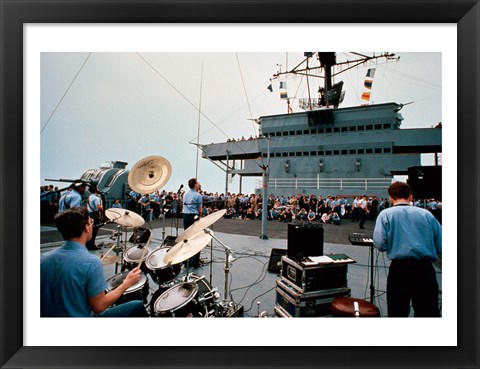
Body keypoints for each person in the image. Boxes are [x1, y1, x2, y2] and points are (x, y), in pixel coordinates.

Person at [41, 207, 148, 317]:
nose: (92, 224)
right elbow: (99, 306)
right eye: (91, 222)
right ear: (86, 228)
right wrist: (127, 283)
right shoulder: (91, 262)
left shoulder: (43, 259)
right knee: (137, 305)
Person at [373, 182, 442, 317]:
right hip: (425, 270)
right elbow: (440, 244)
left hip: (399, 270)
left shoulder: (385, 215)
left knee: (398, 312)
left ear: (391, 198)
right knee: (427, 313)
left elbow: (380, 244)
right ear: (410, 197)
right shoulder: (427, 215)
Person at [182, 178, 203, 268]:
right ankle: (194, 262)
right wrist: (201, 217)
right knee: (196, 239)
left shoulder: (185, 194)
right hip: (194, 217)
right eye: (198, 183)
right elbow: (200, 210)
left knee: (187, 239)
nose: (199, 184)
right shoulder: (198, 195)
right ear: (195, 185)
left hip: (185, 217)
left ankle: (186, 259)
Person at [85, 186, 104, 250]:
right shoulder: (96, 198)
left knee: (90, 230)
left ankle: (87, 244)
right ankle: (91, 245)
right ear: (96, 190)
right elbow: (99, 207)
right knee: (94, 230)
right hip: (94, 215)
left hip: (89, 214)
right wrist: (104, 210)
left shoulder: (89, 197)